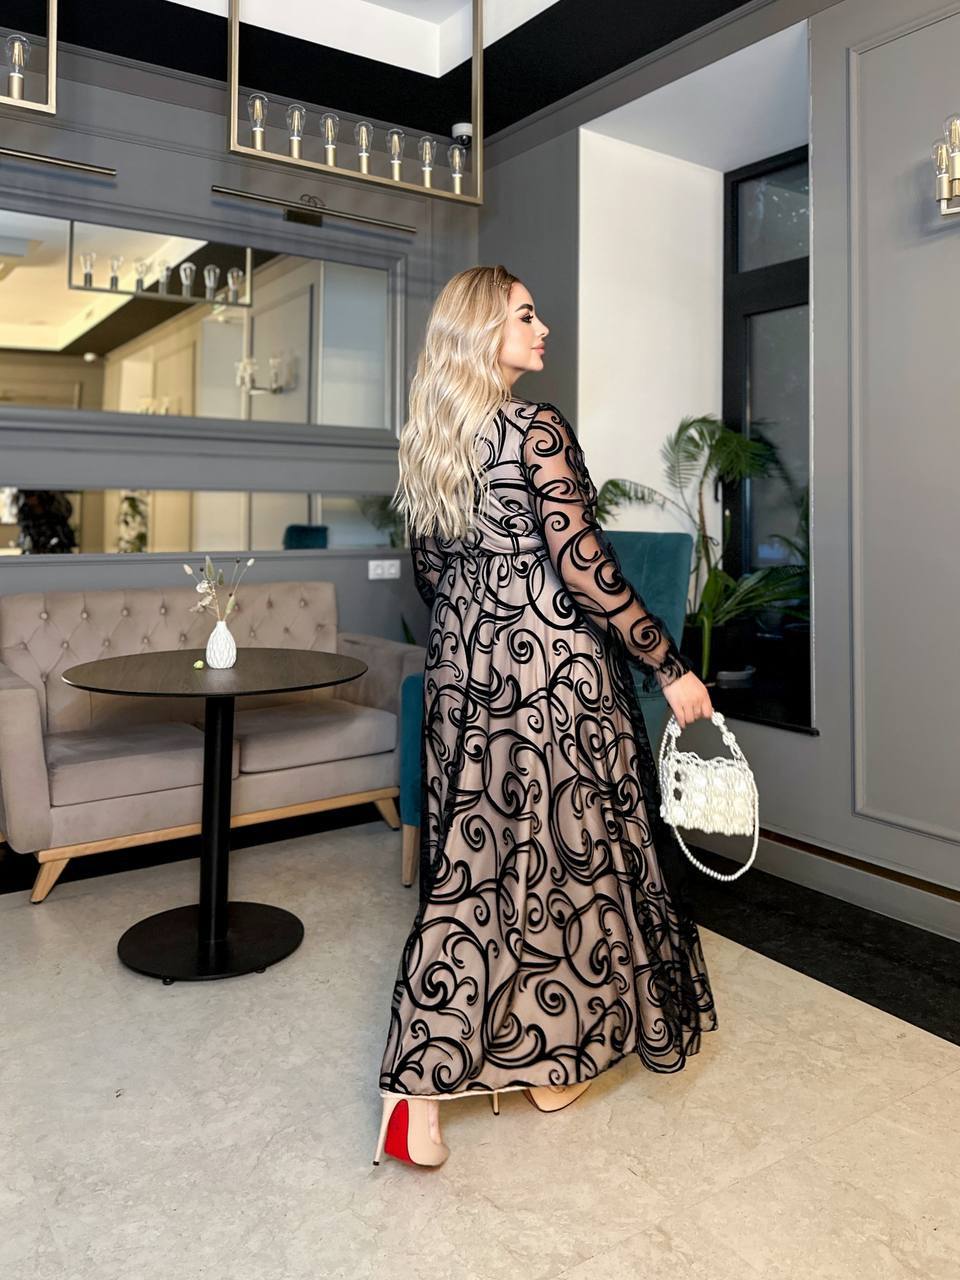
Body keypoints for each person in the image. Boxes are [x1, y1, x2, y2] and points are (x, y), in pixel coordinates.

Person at [373, 265, 718, 1169]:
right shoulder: (535, 428)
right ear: (483, 329)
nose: (543, 329)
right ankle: (423, 1080)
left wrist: (477, 626)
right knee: (565, 857)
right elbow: (582, 565)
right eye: (525, 315)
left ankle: (536, 1060)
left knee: (484, 862)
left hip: (464, 672)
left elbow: (430, 575)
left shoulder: (431, 439)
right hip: (548, 672)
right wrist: (667, 662)